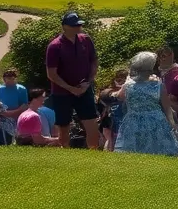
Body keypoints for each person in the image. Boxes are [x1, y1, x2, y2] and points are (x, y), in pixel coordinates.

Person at [45, 11, 100, 149]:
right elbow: (51, 74)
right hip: (62, 93)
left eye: (78, 25)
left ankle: (94, 156)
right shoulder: (55, 46)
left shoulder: (85, 40)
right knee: (64, 127)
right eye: (74, 25)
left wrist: (88, 82)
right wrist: (71, 88)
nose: (78, 27)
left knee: (92, 123)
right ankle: (66, 155)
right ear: (64, 26)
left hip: (84, 89)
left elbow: (94, 62)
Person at [115, 51, 178, 157]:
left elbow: (119, 97)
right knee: (157, 151)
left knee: (133, 152)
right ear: (150, 69)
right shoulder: (158, 85)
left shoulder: (128, 86)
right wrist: (172, 124)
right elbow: (167, 108)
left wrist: (127, 80)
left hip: (133, 122)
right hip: (156, 122)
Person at [0, 68, 29, 146]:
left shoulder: (21, 89)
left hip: (17, 118)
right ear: (4, 79)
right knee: (4, 142)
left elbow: (24, 106)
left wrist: (11, 113)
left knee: (19, 141)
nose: (12, 80)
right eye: (9, 78)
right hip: (3, 120)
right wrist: (5, 113)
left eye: (14, 78)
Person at [97, 69, 128, 151]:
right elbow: (105, 96)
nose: (122, 83)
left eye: (125, 80)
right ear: (113, 80)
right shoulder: (109, 91)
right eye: (119, 80)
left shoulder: (130, 91)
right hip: (110, 121)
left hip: (124, 121)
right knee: (110, 140)